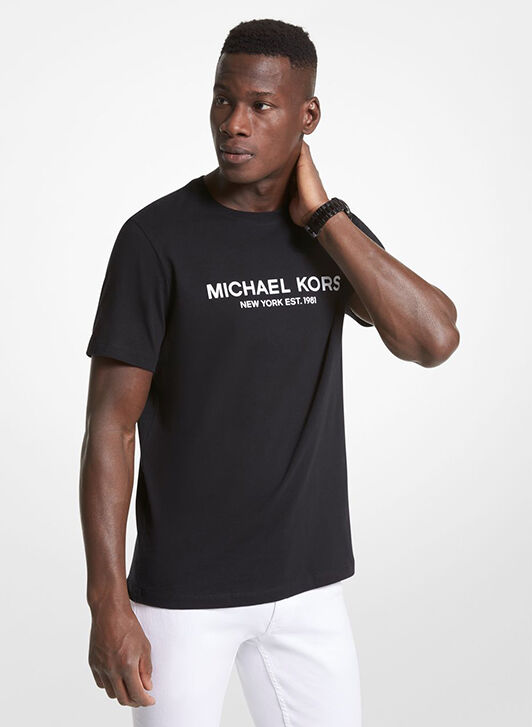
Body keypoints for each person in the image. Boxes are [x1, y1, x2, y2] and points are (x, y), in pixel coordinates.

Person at [80, 18, 459, 727]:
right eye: (223, 100)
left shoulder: (328, 237)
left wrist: (325, 215)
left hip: (308, 589)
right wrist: (108, 600)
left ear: (307, 116)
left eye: (261, 105)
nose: (234, 123)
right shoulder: (155, 239)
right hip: (185, 596)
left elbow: (433, 338)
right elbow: (110, 424)